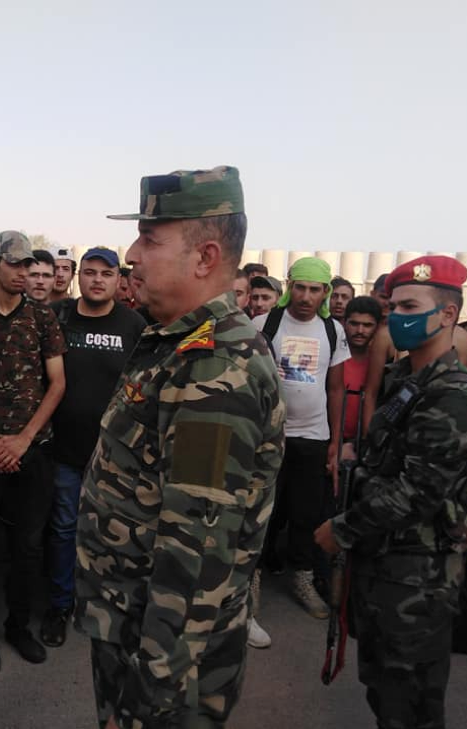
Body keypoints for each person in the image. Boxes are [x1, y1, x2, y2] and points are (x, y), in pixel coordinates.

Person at [75, 166, 284, 729]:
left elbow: (197, 547)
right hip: (132, 622)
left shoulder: (215, 366)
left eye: (150, 238)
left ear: (204, 256)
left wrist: (153, 690)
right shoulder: (176, 339)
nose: (133, 254)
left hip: (163, 655)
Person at [315, 255, 467, 729]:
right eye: (393, 309)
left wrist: (342, 530)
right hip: (389, 562)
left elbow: (419, 492)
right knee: (385, 686)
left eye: (411, 306)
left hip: (420, 574)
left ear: (449, 315)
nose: (398, 318)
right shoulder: (410, 383)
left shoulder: (454, 395)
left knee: (409, 700)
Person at [0, 231, 66, 673]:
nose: (24, 273)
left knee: (28, 546)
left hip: (33, 449)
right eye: (15, 265)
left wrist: (23, 439)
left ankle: (19, 626)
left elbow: (57, 383)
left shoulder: (42, 318)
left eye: (28, 266)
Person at [43, 247, 144, 649]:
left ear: (119, 279)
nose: (97, 279)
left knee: (112, 534)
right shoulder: (59, 317)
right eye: (89, 272)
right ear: (77, 276)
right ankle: (59, 605)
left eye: (106, 273)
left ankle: (109, 606)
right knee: (64, 530)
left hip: (116, 454)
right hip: (64, 449)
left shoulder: (134, 324)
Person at [254, 257, 350, 621]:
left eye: (315, 289)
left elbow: (337, 388)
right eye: (300, 287)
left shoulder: (332, 330)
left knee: (306, 512)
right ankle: (252, 578)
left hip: (313, 435)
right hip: (270, 435)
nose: (306, 296)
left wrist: (334, 440)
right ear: (290, 285)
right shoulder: (265, 323)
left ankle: (303, 577)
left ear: (325, 292)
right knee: (265, 511)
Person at [340, 296, 382, 450]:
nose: (360, 331)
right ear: (344, 323)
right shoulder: (333, 358)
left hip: (365, 444)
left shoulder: (381, 364)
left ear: (377, 327)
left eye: (367, 325)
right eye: (354, 324)